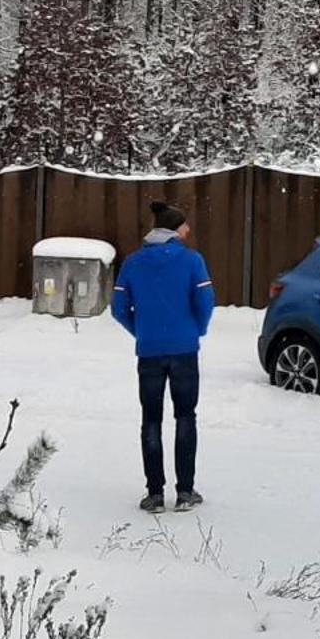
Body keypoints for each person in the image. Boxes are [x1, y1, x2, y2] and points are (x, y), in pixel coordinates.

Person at [111, 201, 216, 513]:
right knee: (186, 417)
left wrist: (142, 332)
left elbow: (118, 309)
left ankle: (155, 493)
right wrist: (195, 329)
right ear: (174, 230)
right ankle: (185, 491)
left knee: (151, 420)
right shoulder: (192, 261)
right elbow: (206, 301)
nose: (188, 230)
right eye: (184, 225)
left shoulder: (133, 263)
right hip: (184, 350)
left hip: (150, 352)